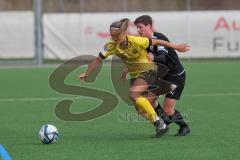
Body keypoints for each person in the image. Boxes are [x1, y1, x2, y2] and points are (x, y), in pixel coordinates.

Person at [78, 18, 190, 137]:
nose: (114, 39)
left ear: (123, 33)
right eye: (112, 37)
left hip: (164, 74)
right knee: (141, 109)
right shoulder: (111, 45)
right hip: (142, 74)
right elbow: (98, 59)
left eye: (117, 36)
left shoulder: (137, 40)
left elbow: (160, 46)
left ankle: (174, 125)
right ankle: (161, 122)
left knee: (136, 95)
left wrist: (176, 47)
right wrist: (87, 73)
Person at [132, 15, 190, 136]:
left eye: (140, 27)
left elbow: (162, 57)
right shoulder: (143, 41)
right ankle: (164, 123)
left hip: (175, 76)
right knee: (148, 102)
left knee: (168, 110)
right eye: (137, 27)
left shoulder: (158, 38)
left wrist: (154, 57)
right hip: (161, 76)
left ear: (149, 26)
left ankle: (183, 126)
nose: (138, 30)